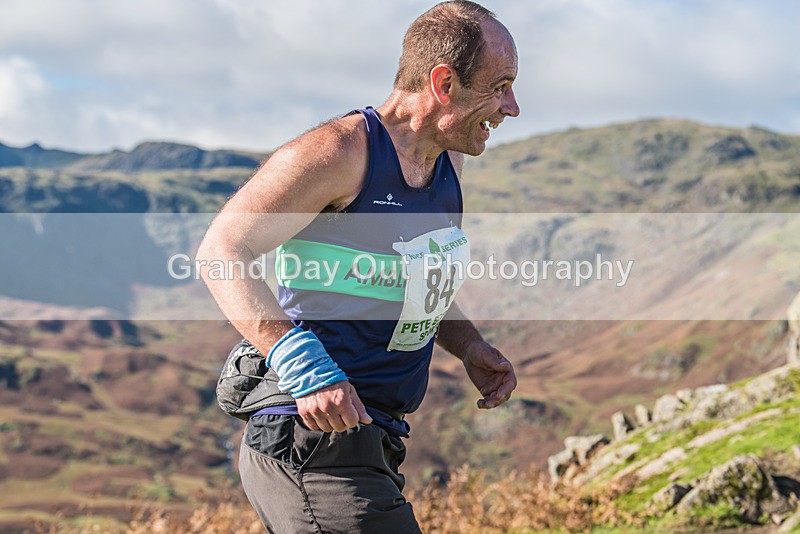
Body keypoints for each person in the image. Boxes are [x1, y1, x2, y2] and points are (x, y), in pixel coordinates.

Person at [197, 1, 520, 532]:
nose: (512, 107)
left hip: (376, 440)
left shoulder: (447, 161)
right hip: (308, 441)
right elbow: (222, 250)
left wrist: (469, 345)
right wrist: (305, 368)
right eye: (501, 84)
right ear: (444, 83)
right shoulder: (340, 152)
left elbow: (409, 279)